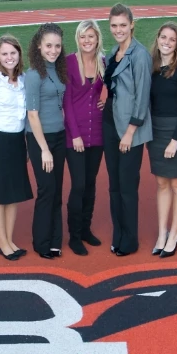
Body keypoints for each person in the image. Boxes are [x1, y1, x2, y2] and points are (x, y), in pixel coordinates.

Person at [103, 3, 153, 257]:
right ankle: (118, 234)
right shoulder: (114, 51)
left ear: (132, 25)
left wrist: (131, 132)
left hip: (129, 129)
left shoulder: (140, 55)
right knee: (114, 185)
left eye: (123, 25)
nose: (118, 30)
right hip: (110, 122)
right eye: (114, 25)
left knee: (127, 186)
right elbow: (115, 85)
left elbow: (142, 96)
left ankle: (130, 239)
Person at [0, 35, 32, 260]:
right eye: (4, 54)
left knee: (13, 196)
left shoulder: (23, 80)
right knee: (0, 197)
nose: (9, 57)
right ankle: (2, 243)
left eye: (13, 53)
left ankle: (10, 240)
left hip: (17, 142)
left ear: (19, 54)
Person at [147, 21, 177, 258]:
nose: (166, 42)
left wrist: (175, 140)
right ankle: (162, 233)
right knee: (162, 184)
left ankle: (174, 234)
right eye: (163, 37)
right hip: (154, 132)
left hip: (176, 132)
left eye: (171, 39)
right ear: (157, 39)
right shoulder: (151, 68)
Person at [24, 23, 69, 259]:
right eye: (48, 45)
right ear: (39, 46)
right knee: (46, 190)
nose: (53, 50)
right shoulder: (33, 74)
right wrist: (44, 150)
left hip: (59, 135)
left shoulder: (58, 69)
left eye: (57, 46)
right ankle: (41, 242)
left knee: (57, 190)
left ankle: (55, 239)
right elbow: (32, 115)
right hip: (40, 139)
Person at [63, 19, 105, 256]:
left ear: (97, 38)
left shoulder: (103, 62)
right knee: (78, 185)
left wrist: (105, 101)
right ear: (77, 39)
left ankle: (87, 229)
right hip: (75, 135)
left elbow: (105, 91)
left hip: (96, 132)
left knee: (90, 184)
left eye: (91, 36)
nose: (87, 41)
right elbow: (67, 102)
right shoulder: (69, 62)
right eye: (82, 36)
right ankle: (75, 236)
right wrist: (75, 135)